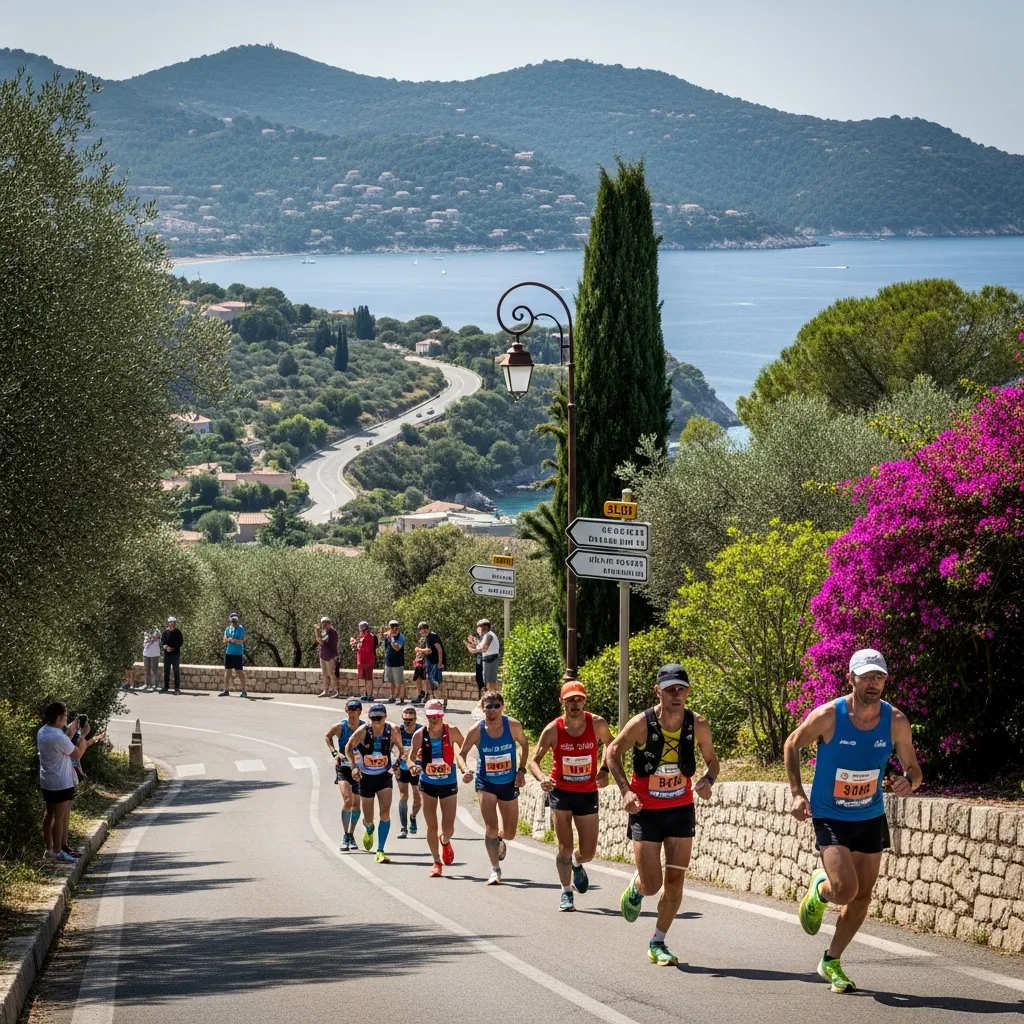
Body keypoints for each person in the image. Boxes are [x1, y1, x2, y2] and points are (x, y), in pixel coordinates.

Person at [785, 648, 922, 994]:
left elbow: (914, 769)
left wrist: (910, 781)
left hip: (870, 814)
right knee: (845, 889)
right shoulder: (830, 715)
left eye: (878, 677)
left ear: (885, 680)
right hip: (830, 813)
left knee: (862, 896)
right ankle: (821, 890)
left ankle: (831, 960)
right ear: (851, 678)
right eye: (866, 677)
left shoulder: (896, 721)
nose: (873, 683)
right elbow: (792, 744)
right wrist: (797, 793)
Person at [607, 664, 720, 966]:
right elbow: (612, 752)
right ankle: (638, 887)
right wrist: (625, 790)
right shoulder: (642, 724)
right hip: (646, 812)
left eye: (681, 689)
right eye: (670, 689)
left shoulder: (698, 724)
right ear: (658, 691)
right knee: (653, 885)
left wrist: (708, 781)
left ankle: (658, 941)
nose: (676, 694)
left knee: (675, 883)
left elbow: (712, 761)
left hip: (681, 809)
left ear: (688, 691)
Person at [528, 680, 614, 911]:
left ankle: (577, 864)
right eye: (570, 700)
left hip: (587, 793)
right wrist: (542, 778)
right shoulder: (553, 729)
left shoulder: (597, 724)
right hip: (561, 792)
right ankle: (566, 892)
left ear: (585, 700)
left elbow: (612, 746)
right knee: (564, 848)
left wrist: (604, 770)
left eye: (579, 699)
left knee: (588, 852)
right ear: (562, 702)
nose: (575, 704)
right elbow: (533, 762)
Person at [460, 691, 529, 885]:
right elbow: (462, 753)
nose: (492, 710)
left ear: (503, 707)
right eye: (488, 706)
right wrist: (465, 769)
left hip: (508, 783)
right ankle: (495, 870)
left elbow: (524, 744)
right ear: (482, 708)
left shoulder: (513, 726)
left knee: (510, 833)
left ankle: (500, 840)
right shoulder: (477, 729)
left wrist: (521, 770)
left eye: (496, 706)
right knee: (491, 827)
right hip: (486, 783)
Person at [37, 702, 105, 862]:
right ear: (60, 717)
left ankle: (49, 848)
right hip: (62, 781)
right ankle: (58, 851)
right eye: (65, 716)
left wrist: (70, 731)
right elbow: (77, 754)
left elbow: (60, 745)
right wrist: (82, 735)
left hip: (47, 780)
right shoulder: (59, 736)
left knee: (49, 815)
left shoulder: (43, 731)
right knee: (59, 817)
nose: (66, 719)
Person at [408, 699, 469, 877]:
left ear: (442, 715)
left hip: (448, 784)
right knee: (431, 826)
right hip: (427, 784)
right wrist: (413, 766)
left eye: (437, 716)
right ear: (426, 716)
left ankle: (445, 840)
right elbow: (410, 757)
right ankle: (436, 861)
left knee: (448, 826)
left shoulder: (452, 731)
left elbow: (462, 752)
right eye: (430, 717)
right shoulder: (419, 735)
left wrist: (464, 769)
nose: (434, 720)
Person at [345, 703, 405, 863]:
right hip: (366, 777)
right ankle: (369, 827)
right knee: (369, 818)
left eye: (379, 718)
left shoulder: (391, 730)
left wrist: (396, 766)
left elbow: (402, 749)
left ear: (385, 717)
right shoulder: (363, 730)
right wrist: (354, 767)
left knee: (385, 813)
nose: (376, 721)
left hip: (384, 776)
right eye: (373, 718)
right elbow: (348, 747)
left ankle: (380, 850)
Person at [326, 698, 364, 851]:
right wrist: (335, 752)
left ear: (360, 711)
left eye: (356, 709)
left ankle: (351, 834)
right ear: (346, 710)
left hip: (360, 769)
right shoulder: (340, 727)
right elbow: (328, 737)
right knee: (347, 800)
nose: (353, 711)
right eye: (350, 708)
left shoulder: (364, 728)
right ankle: (345, 835)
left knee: (356, 804)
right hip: (343, 768)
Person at [396, 705, 422, 838]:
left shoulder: (421, 731)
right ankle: (403, 827)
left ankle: (413, 816)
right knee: (403, 796)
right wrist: (395, 767)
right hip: (402, 767)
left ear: (415, 719)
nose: (407, 723)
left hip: (417, 768)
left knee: (417, 798)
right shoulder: (398, 730)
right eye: (405, 720)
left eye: (410, 720)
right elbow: (391, 749)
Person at [464, 619, 501, 696]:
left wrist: (474, 650)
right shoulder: (485, 636)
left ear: (485, 627)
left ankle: (493, 699)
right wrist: (470, 644)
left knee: (490, 683)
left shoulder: (489, 635)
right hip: (487, 660)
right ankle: (492, 698)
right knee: (488, 682)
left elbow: (484, 648)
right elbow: (479, 646)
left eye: (480, 627)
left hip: (490, 660)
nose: (479, 629)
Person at [415, 621, 446, 709]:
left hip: (435, 663)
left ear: (428, 629)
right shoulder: (428, 637)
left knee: (436, 682)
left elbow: (436, 650)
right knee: (433, 682)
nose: (423, 631)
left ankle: (442, 700)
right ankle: (438, 701)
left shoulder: (432, 636)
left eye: (424, 628)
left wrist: (440, 662)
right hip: (431, 662)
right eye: (421, 629)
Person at [220, 612, 247, 698]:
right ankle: (226, 690)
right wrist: (229, 639)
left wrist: (232, 640)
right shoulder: (227, 629)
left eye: (235, 619)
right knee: (228, 672)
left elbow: (241, 641)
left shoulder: (240, 629)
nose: (234, 620)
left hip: (237, 654)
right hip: (229, 653)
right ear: (230, 619)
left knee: (240, 672)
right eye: (232, 619)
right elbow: (224, 640)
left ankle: (244, 691)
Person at [381, 620, 407, 704]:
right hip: (389, 662)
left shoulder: (400, 637)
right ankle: (392, 696)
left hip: (398, 662)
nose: (393, 629)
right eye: (391, 627)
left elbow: (397, 648)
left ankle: (401, 698)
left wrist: (391, 639)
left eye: (394, 627)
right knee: (391, 681)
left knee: (399, 681)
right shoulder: (388, 635)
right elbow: (383, 637)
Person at [351, 621, 377, 701]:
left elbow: (367, 649)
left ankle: (370, 695)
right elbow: (359, 646)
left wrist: (358, 644)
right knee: (365, 678)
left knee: (369, 678)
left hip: (368, 660)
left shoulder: (369, 636)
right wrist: (355, 644)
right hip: (362, 660)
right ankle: (366, 693)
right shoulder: (362, 636)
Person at [315, 616, 340, 698]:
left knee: (331, 674)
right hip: (323, 655)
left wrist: (316, 631)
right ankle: (326, 691)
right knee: (325, 674)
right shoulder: (324, 632)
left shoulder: (332, 633)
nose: (324, 625)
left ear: (328, 623)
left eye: (325, 623)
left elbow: (320, 641)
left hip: (330, 656)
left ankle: (336, 691)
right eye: (323, 623)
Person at [161, 616, 183, 693]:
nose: (172, 624)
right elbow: (162, 642)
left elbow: (180, 643)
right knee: (166, 671)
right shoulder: (165, 632)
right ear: (168, 623)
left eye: (173, 622)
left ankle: (177, 688)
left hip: (175, 654)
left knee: (176, 671)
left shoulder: (178, 632)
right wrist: (165, 647)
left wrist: (173, 648)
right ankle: (166, 687)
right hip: (167, 654)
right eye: (170, 622)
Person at [142, 625, 161, 691]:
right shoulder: (145, 633)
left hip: (155, 654)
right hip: (146, 653)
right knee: (147, 669)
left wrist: (153, 639)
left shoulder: (157, 632)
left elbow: (158, 639)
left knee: (154, 669)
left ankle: (156, 684)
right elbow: (145, 642)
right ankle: (148, 684)